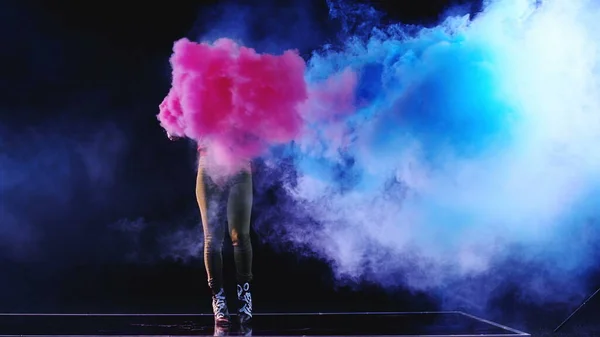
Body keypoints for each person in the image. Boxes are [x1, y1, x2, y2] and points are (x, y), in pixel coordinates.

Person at [168, 132, 254, 327]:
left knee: (240, 235)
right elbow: (182, 108)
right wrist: (175, 125)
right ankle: (218, 298)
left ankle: (244, 295)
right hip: (209, 164)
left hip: (239, 161)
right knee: (212, 239)